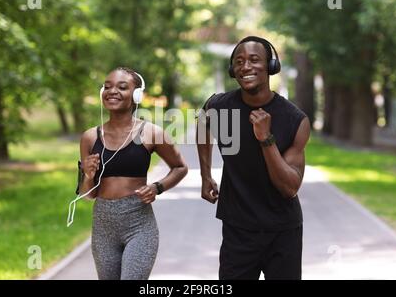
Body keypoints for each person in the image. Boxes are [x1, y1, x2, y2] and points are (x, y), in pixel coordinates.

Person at [196, 36, 310, 280]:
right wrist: (206, 176)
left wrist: (266, 139)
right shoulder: (218, 107)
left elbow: (289, 188)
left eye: (254, 60)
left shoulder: (295, 120)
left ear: (270, 66)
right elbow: (202, 125)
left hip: (283, 231)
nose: (245, 67)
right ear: (232, 70)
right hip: (238, 229)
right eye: (239, 61)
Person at [77, 67, 188, 280]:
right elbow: (88, 194)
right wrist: (89, 175)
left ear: (136, 95)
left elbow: (180, 167)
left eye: (122, 87)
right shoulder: (90, 138)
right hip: (103, 227)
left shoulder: (151, 133)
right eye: (107, 87)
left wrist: (158, 187)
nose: (112, 91)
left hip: (139, 225)